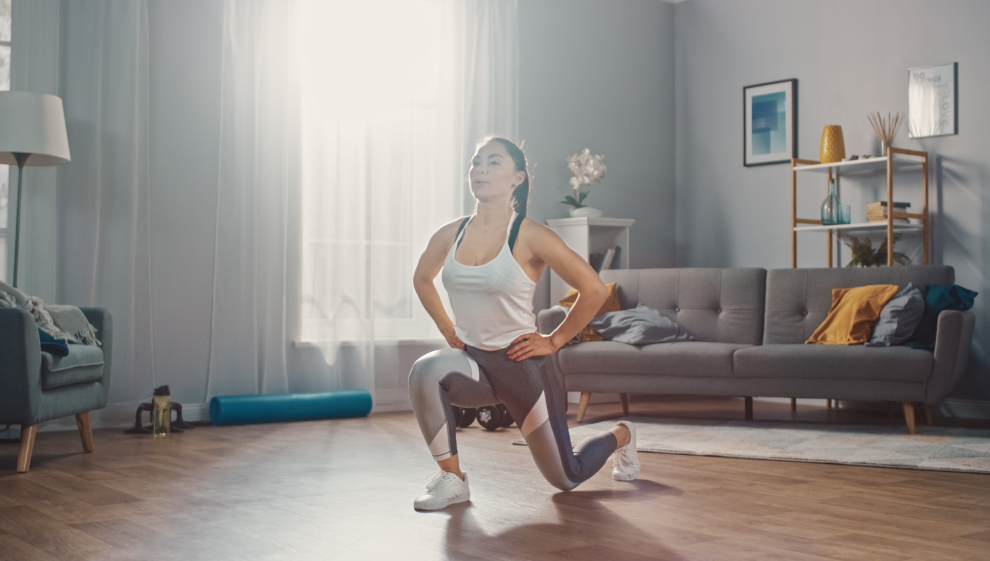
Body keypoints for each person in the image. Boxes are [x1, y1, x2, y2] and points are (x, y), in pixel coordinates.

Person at [408, 136, 639, 511]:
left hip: (523, 368)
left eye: (492, 162)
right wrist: (447, 329)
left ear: (517, 178)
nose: (480, 168)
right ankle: (452, 478)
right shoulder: (451, 233)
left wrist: (553, 340)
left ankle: (622, 435)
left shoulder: (530, 235)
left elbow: (593, 289)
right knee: (424, 371)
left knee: (566, 477)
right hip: (473, 366)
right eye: (476, 162)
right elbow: (422, 278)